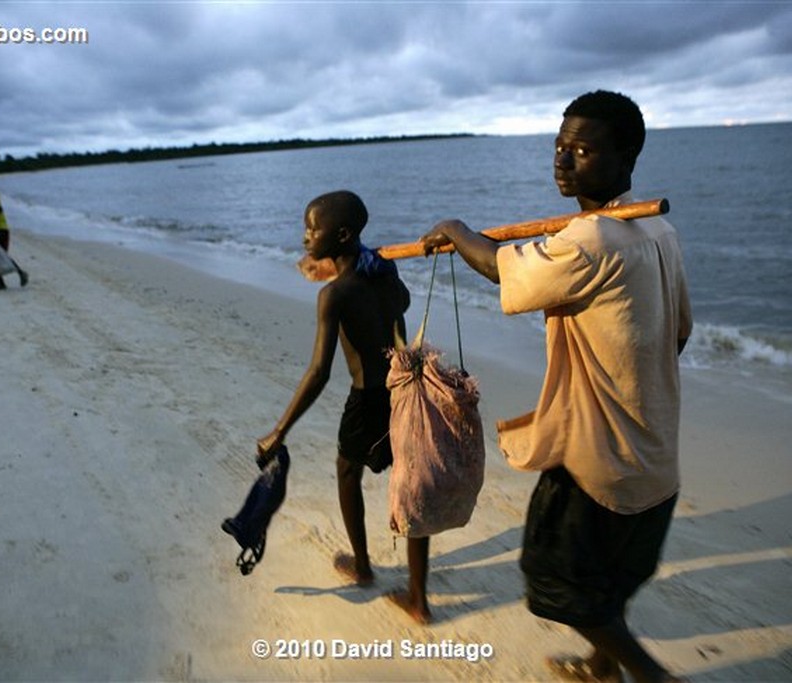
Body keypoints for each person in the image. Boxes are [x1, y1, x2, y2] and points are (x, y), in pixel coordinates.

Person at [420, 91, 692, 682]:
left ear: (627, 155)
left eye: (584, 150)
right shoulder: (658, 231)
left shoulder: (594, 241)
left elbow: (503, 267)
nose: (563, 161)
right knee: (612, 580)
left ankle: (652, 676)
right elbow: (680, 333)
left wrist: (455, 229)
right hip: (656, 454)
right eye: (560, 147)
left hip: (599, 461)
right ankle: (602, 669)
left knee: (560, 585)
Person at [257, 191, 434, 624]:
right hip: (406, 389)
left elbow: (319, 372)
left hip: (368, 398)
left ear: (341, 235)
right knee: (411, 487)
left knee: (347, 470)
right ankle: (418, 599)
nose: (304, 237)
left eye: (311, 229)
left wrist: (279, 430)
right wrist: (377, 267)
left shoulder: (334, 295)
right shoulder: (383, 272)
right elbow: (405, 304)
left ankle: (363, 566)